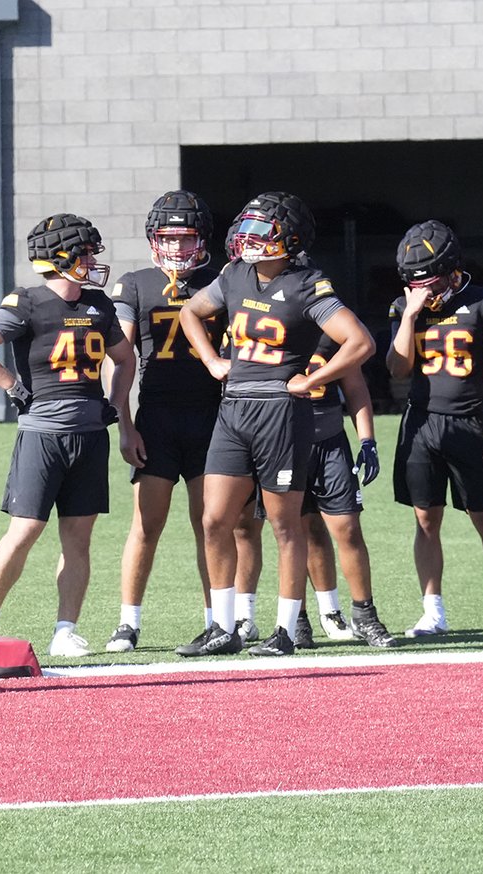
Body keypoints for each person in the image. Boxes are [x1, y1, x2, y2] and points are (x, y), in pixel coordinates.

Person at [177, 191, 375, 657]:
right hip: (234, 407)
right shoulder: (233, 275)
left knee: (287, 526)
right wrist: (210, 359)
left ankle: (286, 630)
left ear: (288, 238)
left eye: (261, 229)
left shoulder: (309, 284)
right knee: (214, 519)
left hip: (281, 412)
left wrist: (314, 378)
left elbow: (359, 342)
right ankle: (223, 628)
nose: (249, 237)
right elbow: (190, 312)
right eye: (248, 226)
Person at [0, 213, 135, 657]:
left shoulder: (98, 304)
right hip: (43, 435)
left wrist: (116, 405)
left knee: (79, 538)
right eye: (87, 253)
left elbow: (125, 358)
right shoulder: (28, 302)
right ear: (63, 258)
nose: (94, 260)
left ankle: (65, 630)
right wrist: (12, 387)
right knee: (25, 530)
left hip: (90, 434)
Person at [387, 219, 483, 637]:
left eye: (433, 283)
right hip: (420, 425)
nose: (427, 292)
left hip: (469, 423)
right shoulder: (406, 308)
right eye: (418, 285)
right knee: (425, 520)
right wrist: (410, 316)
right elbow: (397, 370)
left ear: (453, 270)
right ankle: (433, 612)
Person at [101, 191, 223, 653]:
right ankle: (127, 622)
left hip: (212, 418)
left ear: (201, 239)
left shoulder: (223, 281)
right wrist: (124, 422)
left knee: (211, 523)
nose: (175, 248)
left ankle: (218, 620)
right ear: (154, 239)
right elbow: (120, 355)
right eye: (167, 238)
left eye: (185, 238)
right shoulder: (134, 284)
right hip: (157, 416)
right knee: (146, 524)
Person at [296, 336, 397, 648]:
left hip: (330, 441)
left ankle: (364, 615)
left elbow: (354, 388)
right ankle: (296, 619)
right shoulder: (271, 320)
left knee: (348, 529)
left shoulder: (331, 327)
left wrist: (367, 440)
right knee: (294, 534)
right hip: (282, 442)